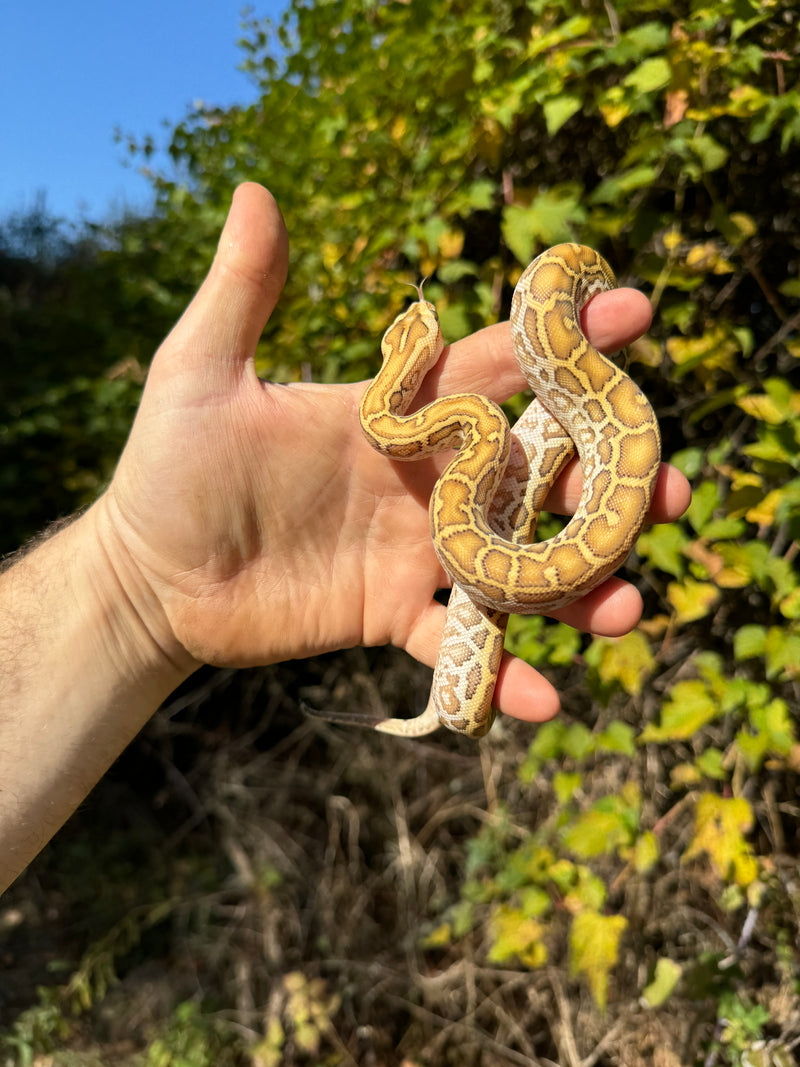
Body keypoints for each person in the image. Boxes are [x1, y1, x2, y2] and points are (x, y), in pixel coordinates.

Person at [0, 183, 690, 892]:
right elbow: (487, 441)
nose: (419, 315)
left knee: (517, 441)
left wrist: (133, 584)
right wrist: (132, 573)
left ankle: (450, 695)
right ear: (410, 361)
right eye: (415, 323)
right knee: (499, 439)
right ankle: (450, 693)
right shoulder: (470, 426)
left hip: (535, 458)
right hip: (505, 482)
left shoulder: (450, 423)